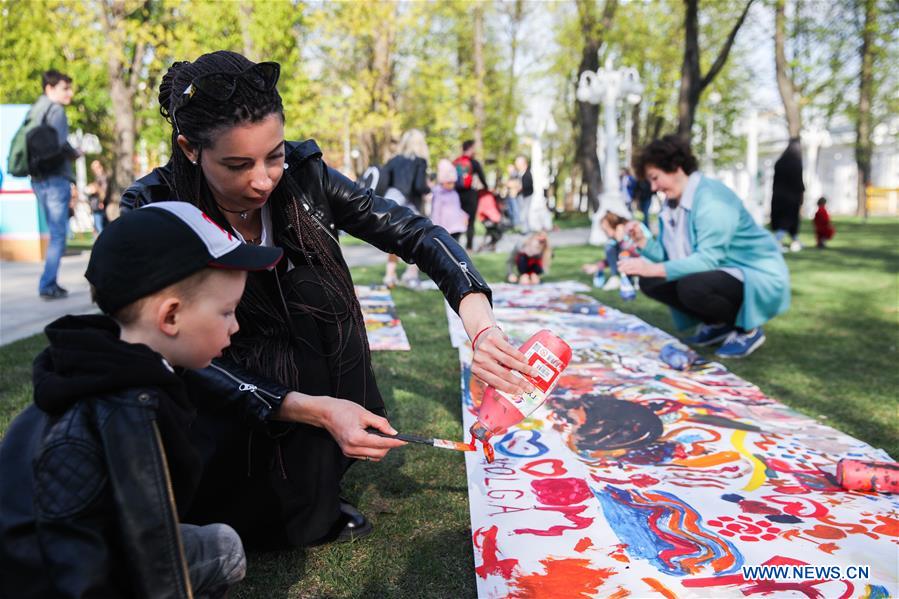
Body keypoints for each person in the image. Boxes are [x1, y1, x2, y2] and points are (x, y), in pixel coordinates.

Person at [119, 51, 536, 549]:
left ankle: (313, 472)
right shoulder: (152, 208)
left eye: (274, 155)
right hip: (217, 387)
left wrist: (481, 324)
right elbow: (162, 350)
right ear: (189, 149)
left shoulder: (304, 172)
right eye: (237, 164)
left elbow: (414, 232)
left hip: (311, 363)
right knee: (245, 522)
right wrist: (309, 409)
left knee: (310, 288)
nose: (263, 179)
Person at [0, 202, 284, 597]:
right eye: (227, 312)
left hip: (100, 549)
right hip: (51, 579)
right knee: (222, 549)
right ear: (170, 317)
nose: (236, 326)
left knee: (221, 543)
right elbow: (74, 573)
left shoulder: (127, 371)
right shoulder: (110, 414)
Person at [619, 135, 790, 359]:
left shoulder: (711, 199)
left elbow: (708, 260)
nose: (653, 187)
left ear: (675, 167)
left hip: (757, 274)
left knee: (691, 286)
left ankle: (748, 330)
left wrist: (649, 267)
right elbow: (669, 256)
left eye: (655, 178)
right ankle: (718, 324)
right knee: (651, 281)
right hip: (721, 272)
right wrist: (643, 242)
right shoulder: (672, 205)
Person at [28, 70, 82, 299]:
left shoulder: (35, 110)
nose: (69, 93)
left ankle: (49, 283)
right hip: (55, 179)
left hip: (38, 179)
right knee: (59, 235)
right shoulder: (56, 111)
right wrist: (75, 153)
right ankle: (48, 284)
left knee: (54, 233)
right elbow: (60, 146)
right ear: (50, 89)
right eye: (64, 88)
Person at [376, 129, 431, 288]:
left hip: (391, 202)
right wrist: (429, 190)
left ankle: (390, 275)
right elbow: (419, 186)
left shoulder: (394, 160)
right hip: (409, 204)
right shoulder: (419, 161)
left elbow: (384, 181)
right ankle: (411, 275)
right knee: (415, 240)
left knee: (392, 240)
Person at [582, 207, 647, 291]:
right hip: (634, 260)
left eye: (606, 229)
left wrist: (620, 240)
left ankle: (617, 278)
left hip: (643, 261)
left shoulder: (625, 230)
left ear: (614, 225)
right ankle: (621, 278)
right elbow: (613, 258)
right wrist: (597, 266)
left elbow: (635, 252)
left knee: (611, 247)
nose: (606, 233)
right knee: (613, 248)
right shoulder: (618, 241)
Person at [770, 138, 805, 252]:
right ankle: (775, 242)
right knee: (787, 221)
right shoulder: (796, 163)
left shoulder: (780, 162)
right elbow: (799, 182)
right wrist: (801, 196)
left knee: (786, 221)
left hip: (778, 197)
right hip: (791, 198)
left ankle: (795, 240)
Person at [454, 140, 489, 250]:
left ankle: (454, 246)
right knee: (470, 222)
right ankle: (469, 248)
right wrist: (486, 188)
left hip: (456, 195)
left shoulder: (455, 162)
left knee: (457, 222)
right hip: (470, 195)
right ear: (470, 148)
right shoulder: (474, 163)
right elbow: (483, 179)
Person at [430, 159, 468, 242]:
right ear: (443, 181)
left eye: (453, 183)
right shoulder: (438, 193)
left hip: (456, 226)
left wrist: (464, 215)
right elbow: (436, 211)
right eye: (449, 183)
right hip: (445, 227)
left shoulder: (454, 193)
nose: (452, 185)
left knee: (456, 246)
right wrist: (435, 226)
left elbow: (457, 208)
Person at [85, 159, 109, 236]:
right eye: (93, 168)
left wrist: (94, 189)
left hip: (99, 205)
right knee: (97, 227)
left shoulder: (103, 178)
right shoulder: (97, 178)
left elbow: (103, 192)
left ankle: (103, 244)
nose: (95, 170)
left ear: (101, 167)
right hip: (96, 205)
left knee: (100, 227)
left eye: (97, 167)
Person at [514, 155, 533, 234]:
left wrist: (519, 187)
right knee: (523, 213)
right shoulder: (519, 174)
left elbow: (528, 184)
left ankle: (526, 229)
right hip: (522, 196)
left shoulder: (528, 173)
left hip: (526, 196)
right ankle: (525, 228)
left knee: (524, 213)